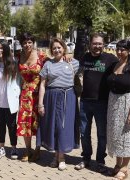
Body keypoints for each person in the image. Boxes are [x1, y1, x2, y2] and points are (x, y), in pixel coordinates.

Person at [75, 34, 119, 172]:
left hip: (102, 103)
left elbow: (124, 66)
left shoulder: (110, 59)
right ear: (90, 44)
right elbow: (74, 68)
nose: (97, 46)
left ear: (103, 44)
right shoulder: (84, 57)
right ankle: (86, 158)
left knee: (101, 134)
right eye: (95, 43)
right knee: (84, 132)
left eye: (100, 43)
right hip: (85, 102)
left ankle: (100, 160)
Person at [37, 38, 80, 171]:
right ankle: (56, 156)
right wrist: (40, 104)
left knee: (64, 127)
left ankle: (61, 157)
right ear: (51, 50)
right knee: (54, 127)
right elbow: (42, 84)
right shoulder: (48, 64)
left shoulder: (73, 63)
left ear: (64, 48)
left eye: (59, 47)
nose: (56, 50)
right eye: (54, 48)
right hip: (51, 97)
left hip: (68, 97)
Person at [106, 40, 130, 180]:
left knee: (126, 136)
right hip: (113, 103)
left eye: (123, 49)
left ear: (129, 51)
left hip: (126, 103)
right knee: (116, 134)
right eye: (118, 49)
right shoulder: (114, 65)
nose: (120, 52)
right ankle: (118, 164)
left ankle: (125, 168)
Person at [0, 41, 21, 160]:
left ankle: (13, 148)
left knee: (12, 125)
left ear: (6, 49)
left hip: (10, 101)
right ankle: (1, 147)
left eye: (1, 48)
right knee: (0, 124)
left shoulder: (14, 64)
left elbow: (19, 81)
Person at [16, 32, 44, 162]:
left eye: (29, 42)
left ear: (33, 43)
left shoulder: (41, 55)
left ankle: (38, 150)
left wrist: (67, 57)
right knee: (24, 122)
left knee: (37, 123)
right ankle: (28, 149)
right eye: (24, 43)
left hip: (38, 94)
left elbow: (56, 60)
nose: (27, 45)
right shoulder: (18, 55)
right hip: (25, 94)